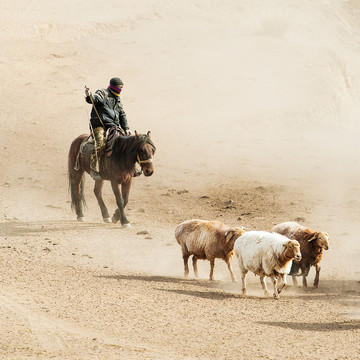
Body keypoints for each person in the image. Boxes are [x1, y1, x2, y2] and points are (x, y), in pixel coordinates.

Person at [85, 77, 137, 180]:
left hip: (114, 126)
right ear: (112, 86)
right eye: (118, 87)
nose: (120, 90)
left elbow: (122, 114)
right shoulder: (102, 93)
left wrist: (126, 128)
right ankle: (93, 170)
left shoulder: (118, 99)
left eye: (121, 88)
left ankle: (132, 169)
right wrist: (89, 95)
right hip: (99, 125)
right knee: (99, 144)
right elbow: (94, 99)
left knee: (129, 143)